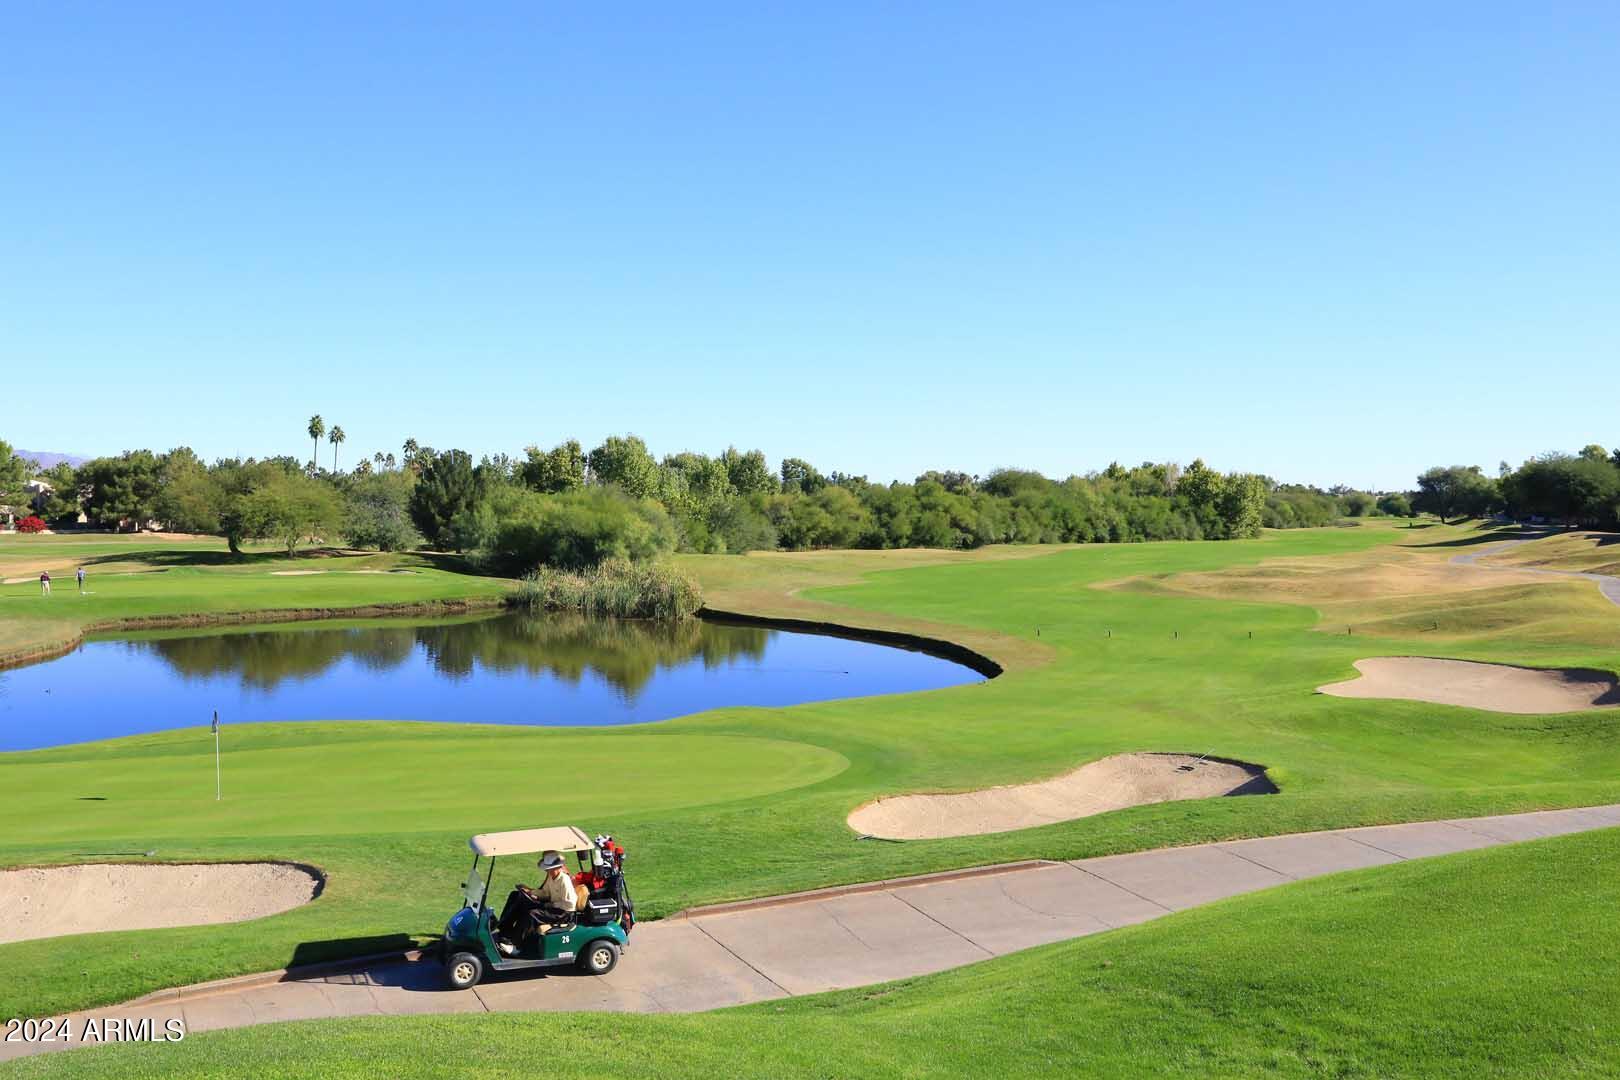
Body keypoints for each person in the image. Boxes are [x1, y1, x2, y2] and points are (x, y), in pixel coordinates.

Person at [495, 850, 577, 955]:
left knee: (532, 914)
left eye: (550, 869)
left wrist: (550, 905)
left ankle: (516, 946)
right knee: (516, 895)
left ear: (557, 867)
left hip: (563, 913)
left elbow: (570, 903)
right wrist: (530, 891)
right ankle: (505, 931)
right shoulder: (552, 877)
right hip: (553, 907)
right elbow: (545, 892)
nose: (548, 871)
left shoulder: (564, 880)